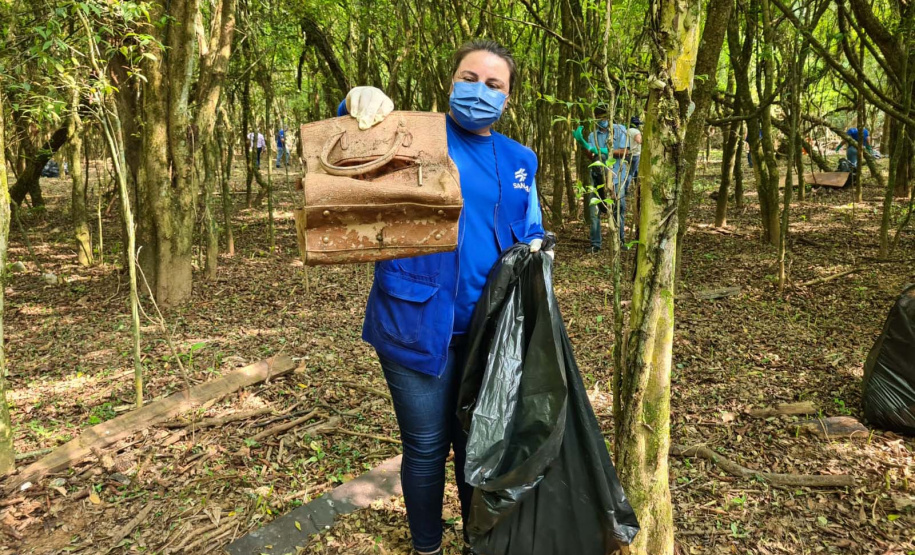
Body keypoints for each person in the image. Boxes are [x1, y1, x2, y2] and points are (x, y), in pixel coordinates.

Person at [336, 40, 549, 555]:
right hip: (413, 325)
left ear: (508, 98)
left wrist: (542, 246)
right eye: (469, 78)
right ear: (451, 81)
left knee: (479, 447)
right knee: (427, 448)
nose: (479, 91)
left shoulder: (521, 159)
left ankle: (480, 542)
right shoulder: (414, 136)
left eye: (494, 85)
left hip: (489, 338)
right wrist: (355, 104)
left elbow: (531, 229)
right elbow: (348, 148)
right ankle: (427, 546)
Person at [573, 107, 629, 251]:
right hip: (597, 176)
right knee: (594, 211)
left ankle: (620, 241)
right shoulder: (593, 135)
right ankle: (595, 244)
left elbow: (626, 152)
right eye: (599, 117)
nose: (602, 120)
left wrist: (607, 151)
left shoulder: (620, 130)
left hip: (616, 176)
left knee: (618, 209)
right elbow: (591, 156)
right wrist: (583, 144)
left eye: (604, 117)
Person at [626, 116, 642, 188]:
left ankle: (637, 186)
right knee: (631, 173)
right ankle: (626, 188)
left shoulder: (626, 130)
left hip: (627, 154)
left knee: (635, 170)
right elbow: (639, 140)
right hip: (635, 154)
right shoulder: (636, 131)